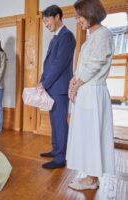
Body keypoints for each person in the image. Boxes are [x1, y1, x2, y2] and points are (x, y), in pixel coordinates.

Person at [66, 0, 115, 190]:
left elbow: (96, 64)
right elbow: (84, 66)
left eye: (79, 16)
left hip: (93, 91)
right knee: (87, 135)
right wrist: (74, 80)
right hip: (87, 90)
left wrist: (77, 83)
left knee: (93, 135)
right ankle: (89, 176)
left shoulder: (104, 34)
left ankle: (92, 179)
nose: (77, 20)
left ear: (90, 13)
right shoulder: (92, 36)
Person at [38, 5, 76, 169]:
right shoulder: (55, 38)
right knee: (54, 122)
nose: (46, 24)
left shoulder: (67, 36)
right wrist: (42, 81)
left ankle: (61, 158)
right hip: (51, 87)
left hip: (59, 89)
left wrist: (45, 83)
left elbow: (59, 64)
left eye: (47, 20)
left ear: (57, 17)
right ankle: (56, 149)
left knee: (60, 123)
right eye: (44, 21)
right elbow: (49, 64)